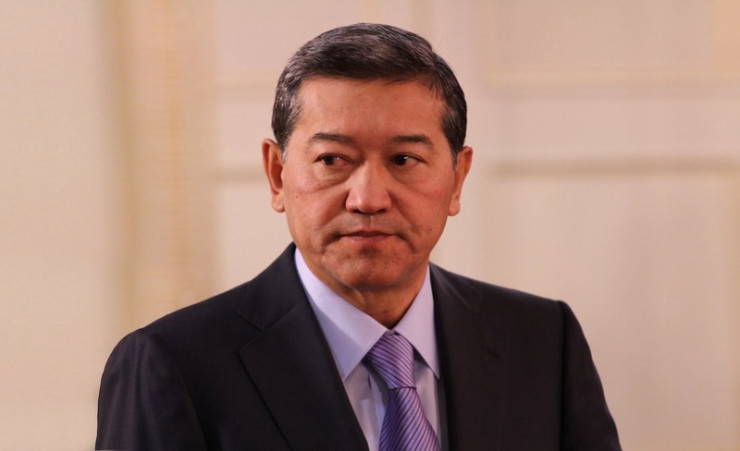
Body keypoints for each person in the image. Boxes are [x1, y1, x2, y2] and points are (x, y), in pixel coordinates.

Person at [96, 23, 620, 451]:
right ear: (277, 174)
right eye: (332, 160)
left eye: (404, 159)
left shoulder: (542, 341)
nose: (368, 199)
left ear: (457, 179)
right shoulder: (173, 365)